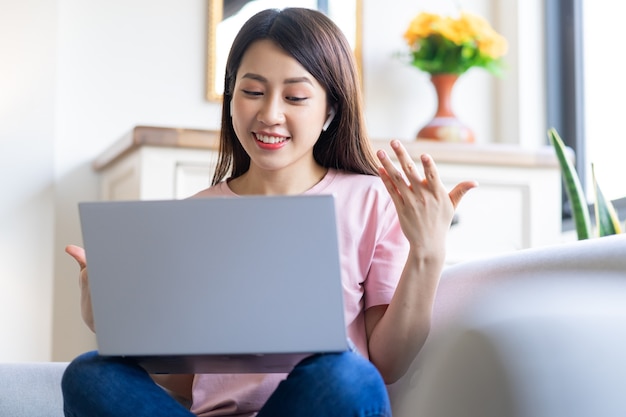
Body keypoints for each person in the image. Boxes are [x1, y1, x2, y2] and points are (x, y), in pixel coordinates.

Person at [62, 7, 477, 417]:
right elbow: (185, 385)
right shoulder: (194, 216)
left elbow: (388, 363)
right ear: (231, 99)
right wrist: (112, 319)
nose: (270, 114)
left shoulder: (371, 201)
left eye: (295, 97)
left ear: (330, 110)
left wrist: (427, 252)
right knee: (90, 373)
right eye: (253, 92)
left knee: (347, 375)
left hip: (319, 403)